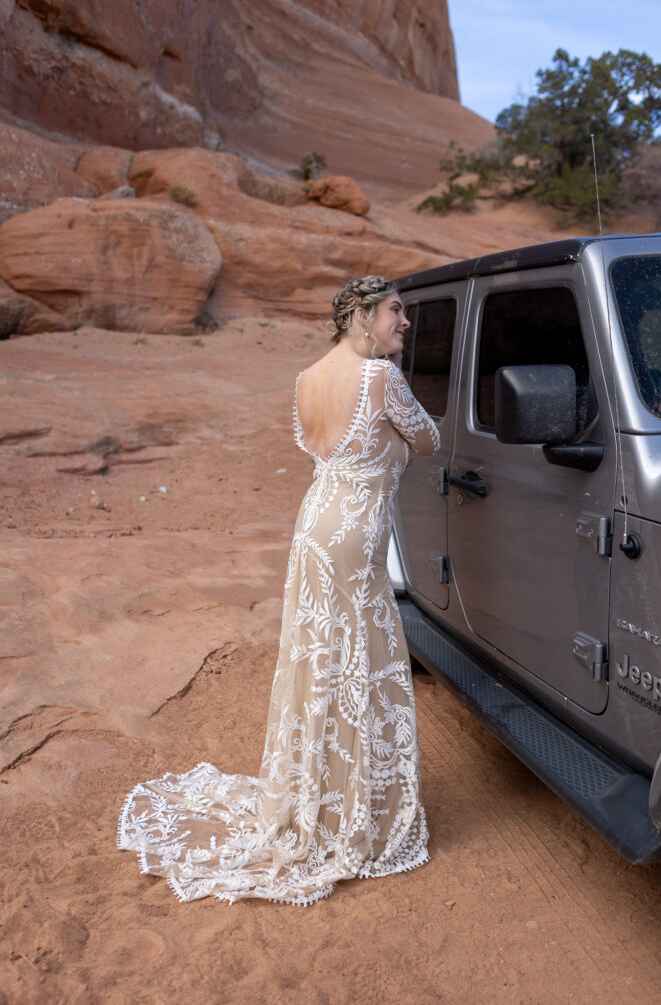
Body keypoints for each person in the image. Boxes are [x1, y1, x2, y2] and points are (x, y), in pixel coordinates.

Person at [117, 275, 440, 906]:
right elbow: (428, 440)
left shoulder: (307, 378)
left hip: (315, 525)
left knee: (321, 659)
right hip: (353, 536)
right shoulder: (379, 379)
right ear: (361, 317)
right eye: (396, 312)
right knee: (357, 663)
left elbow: (327, 453)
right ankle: (351, 816)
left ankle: (316, 797)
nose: (406, 323)